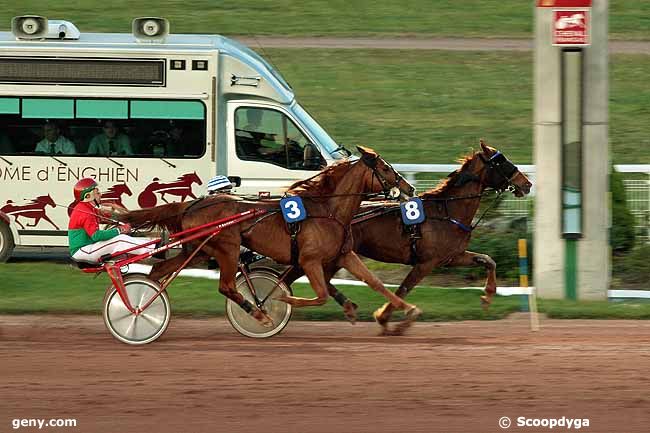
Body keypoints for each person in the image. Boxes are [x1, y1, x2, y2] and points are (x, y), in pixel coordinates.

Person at [68, 178, 155, 264]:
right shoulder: (85, 212)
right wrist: (120, 230)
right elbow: (96, 236)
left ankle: (153, 244)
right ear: (88, 196)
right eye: (97, 193)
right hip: (82, 251)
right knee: (120, 240)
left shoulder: (88, 208)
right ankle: (154, 250)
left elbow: (106, 218)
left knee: (121, 240)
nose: (100, 195)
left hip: (88, 247)